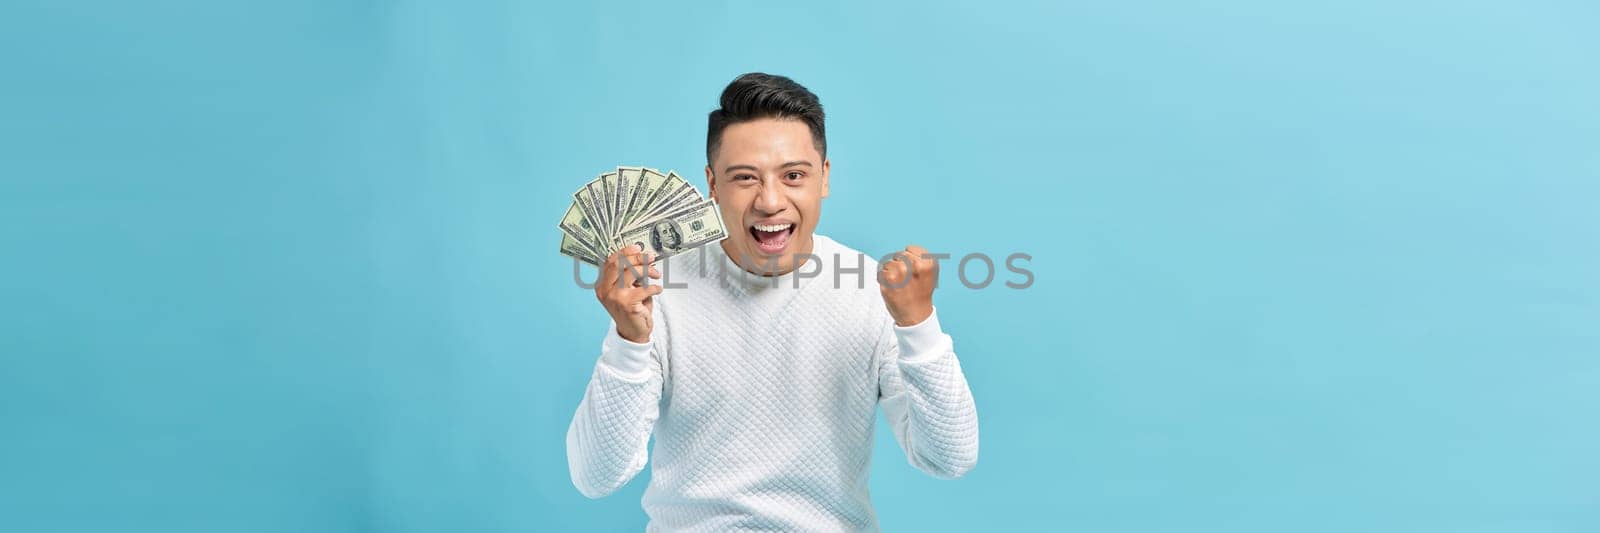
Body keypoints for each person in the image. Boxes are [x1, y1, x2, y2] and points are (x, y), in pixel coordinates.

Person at [567, 72, 979, 531]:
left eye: (794, 176)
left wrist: (918, 326)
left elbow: (950, 458)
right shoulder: (656, 289)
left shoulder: (870, 291)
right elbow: (595, 478)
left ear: (823, 178)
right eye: (744, 178)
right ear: (711, 184)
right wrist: (629, 342)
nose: (769, 201)